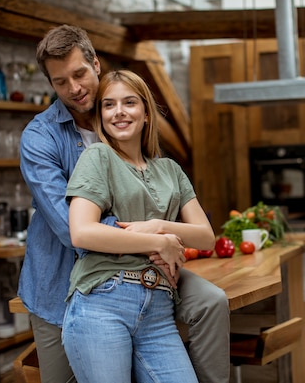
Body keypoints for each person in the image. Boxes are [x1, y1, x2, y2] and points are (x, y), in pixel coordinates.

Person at [18, 25, 230, 383]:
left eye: (80, 74)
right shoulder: (41, 138)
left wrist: (159, 230)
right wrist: (157, 242)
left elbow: (162, 207)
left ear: (95, 65)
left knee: (211, 301)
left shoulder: (130, 133)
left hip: (144, 275)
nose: (74, 88)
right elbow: (73, 229)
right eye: (60, 82)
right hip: (60, 281)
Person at [62, 69, 215, 382]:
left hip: (158, 310)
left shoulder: (170, 170)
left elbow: (206, 237)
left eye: (129, 102)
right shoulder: (98, 156)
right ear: (100, 116)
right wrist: (159, 243)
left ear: (146, 112)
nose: (119, 112)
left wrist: (158, 227)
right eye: (108, 105)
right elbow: (82, 232)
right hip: (103, 302)